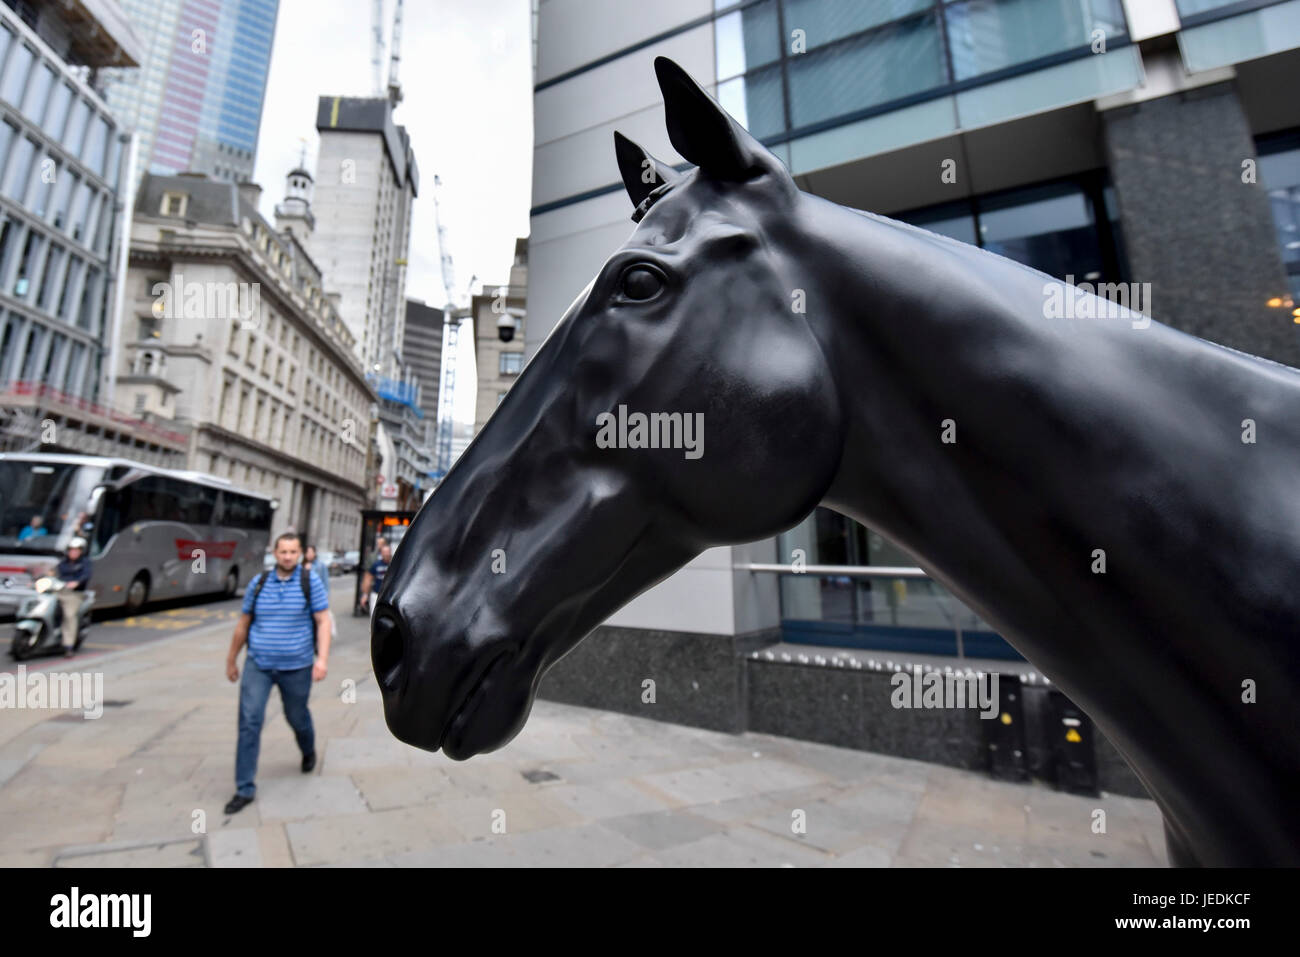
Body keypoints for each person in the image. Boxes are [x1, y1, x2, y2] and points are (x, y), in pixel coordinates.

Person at [223, 531, 331, 815]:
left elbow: (322, 621)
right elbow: (243, 624)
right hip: (258, 664)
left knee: (297, 716)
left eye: (293, 552)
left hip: (297, 665)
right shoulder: (258, 584)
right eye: (282, 552)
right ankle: (244, 788)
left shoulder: (311, 582)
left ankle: (308, 749)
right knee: (249, 722)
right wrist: (232, 660)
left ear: (299, 554)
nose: (287, 556)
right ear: (274, 553)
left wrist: (322, 660)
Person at [55, 537, 91, 657]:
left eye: (76, 550)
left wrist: (77, 582)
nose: (73, 552)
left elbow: (86, 575)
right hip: (59, 591)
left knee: (69, 616)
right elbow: (54, 573)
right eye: (71, 550)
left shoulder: (85, 563)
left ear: (81, 551)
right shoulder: (62, 563)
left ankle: (68, 646)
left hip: (74, 594)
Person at [360, 538, 392, 616]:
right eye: (384, 552)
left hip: (389, 595)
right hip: (377, 593)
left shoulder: (394, 564)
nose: (386, 554)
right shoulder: (375, 562)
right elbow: (368, 578)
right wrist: (365, 595)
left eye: (387, 552)